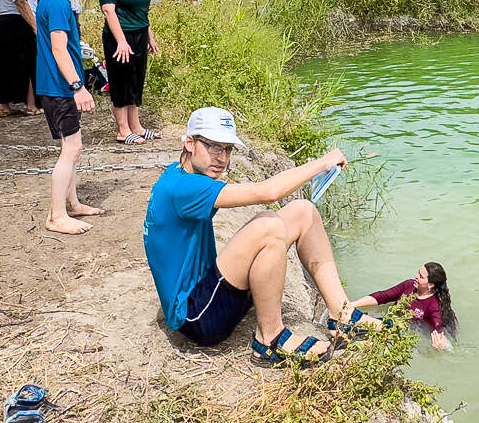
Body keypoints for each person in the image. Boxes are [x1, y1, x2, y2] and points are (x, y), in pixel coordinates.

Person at [144, 108, 367, 363]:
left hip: (207, 291)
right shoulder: (183, 188)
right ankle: (269, 339)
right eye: (214, 147)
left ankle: (342, 314)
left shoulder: (182, 173)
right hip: (197, 317)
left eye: (227, 149)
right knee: (268, 226)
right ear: (190, 143)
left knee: (303, 211)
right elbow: (269, 192)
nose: (222, 158)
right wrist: (323, 162)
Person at [34, 0, 105, 235]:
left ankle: (72, 203)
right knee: (72, 149)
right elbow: (59, 48)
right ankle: (56, 215)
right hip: (60, 87)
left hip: (56, 85)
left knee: (71, 148)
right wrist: (78, 87)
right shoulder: (58, 3)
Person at [98, 0, 159, 143]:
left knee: (135, 81)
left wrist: (149, 36)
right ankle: (123, 130)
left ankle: (137, 127)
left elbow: (141, 10)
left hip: (139, 35)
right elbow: (108, 10)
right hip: (119, 37)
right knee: (121, 82)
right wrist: (121, 41)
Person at [351, 262, 456, 350]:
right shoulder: (408, 285)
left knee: (354, 327)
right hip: (386, 321)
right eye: (418, 273)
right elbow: (382, 296)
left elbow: (439, 331)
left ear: (430, 285)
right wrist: (352, 304)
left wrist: (445, 346)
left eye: (421, 276)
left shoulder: (434, 306)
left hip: (400, 331)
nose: (416, 276)